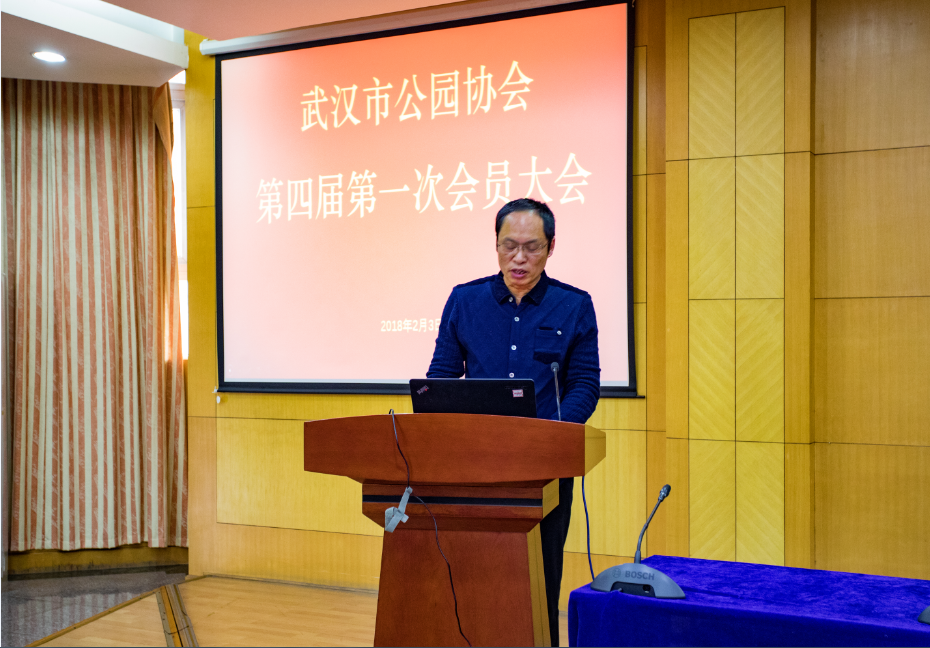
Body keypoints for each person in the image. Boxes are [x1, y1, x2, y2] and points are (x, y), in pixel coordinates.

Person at [427, 197, 600, 646]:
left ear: (551, 247)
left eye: (532, 247)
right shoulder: (465, 300)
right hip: (474, 469)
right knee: (473, 575)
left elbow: (584, 385)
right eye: (509, 246)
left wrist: (546, 435)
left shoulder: (573, 305)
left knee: (540, 575)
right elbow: (441, 376)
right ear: (496, 245)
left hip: (543, 468)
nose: (519, 258)